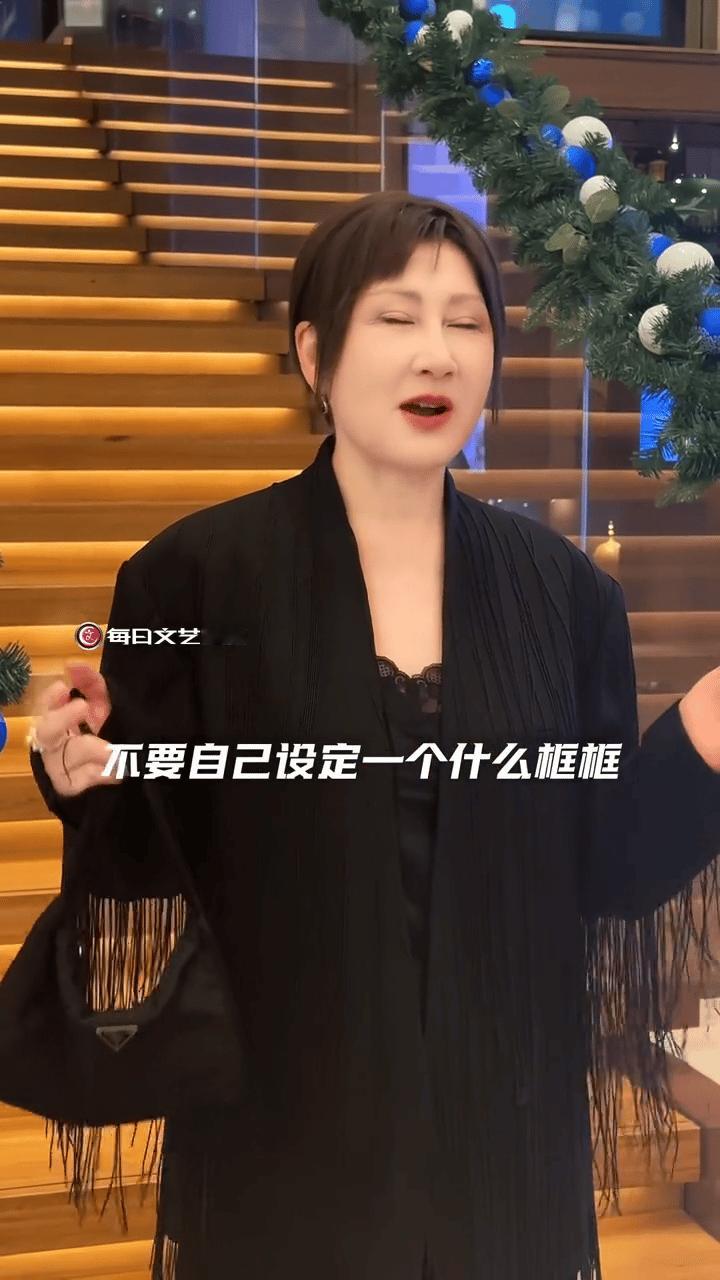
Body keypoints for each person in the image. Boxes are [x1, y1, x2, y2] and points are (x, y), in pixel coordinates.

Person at [18, 191, 720, 1280]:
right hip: (281, 1137)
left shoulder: (565, 594)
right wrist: (81, 775)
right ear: (315, 353)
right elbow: (151, 856)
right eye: (397, 317)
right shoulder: (194, 577)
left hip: (501, 1145)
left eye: (466, 322)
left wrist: (702, 737)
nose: (437, 352)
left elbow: (606, 865)